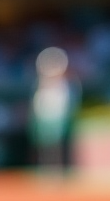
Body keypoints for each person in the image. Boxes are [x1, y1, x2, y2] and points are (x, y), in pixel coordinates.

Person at [31, 46, 78, 174]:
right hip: (45, 120)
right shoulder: (42, 84)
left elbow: (67, 102)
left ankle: (59, 169)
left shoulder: (65, 85)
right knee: (45, 146)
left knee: (59, 146)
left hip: (59, 120)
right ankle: (46, 168)